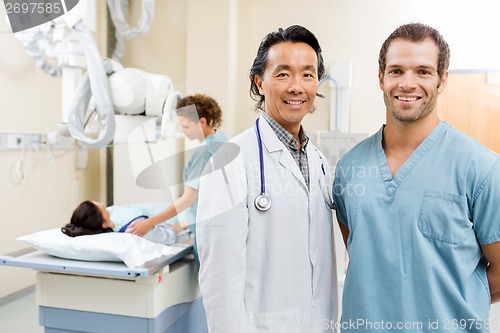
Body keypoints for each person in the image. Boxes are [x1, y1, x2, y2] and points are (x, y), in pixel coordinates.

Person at [332, 23, 500, 332]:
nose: (408, 83)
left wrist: (447, 309)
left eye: (423, 71)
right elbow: (361, 251)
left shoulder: (481, 168)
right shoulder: (350, 168)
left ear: (442, 80)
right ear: (381, 78)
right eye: (396, 71)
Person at [196, 25, 338, 333]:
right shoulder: (229, 161)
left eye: (308, 74)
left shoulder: (320, 162)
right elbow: (219, 280)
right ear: (260, 83)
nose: (296, 86)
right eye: (283, 74)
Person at [126, 93, 228, 267]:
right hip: (221, 225)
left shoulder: (204, 152)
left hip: (211, 231)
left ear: (202, 122)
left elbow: (188, 199)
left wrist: (149, 222)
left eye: (186, 126)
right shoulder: (221, 138)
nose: (182, 131)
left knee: (212, 285)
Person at [62, 200, 185, 245]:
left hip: (164, 207)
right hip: (175, 216)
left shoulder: (111, 213)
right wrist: (185, 224)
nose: (103, 204)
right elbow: (169, 234)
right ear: (103, 224)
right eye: (102, 208)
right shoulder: (134, 230)